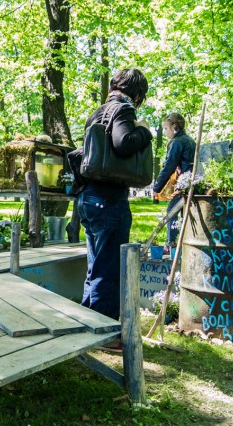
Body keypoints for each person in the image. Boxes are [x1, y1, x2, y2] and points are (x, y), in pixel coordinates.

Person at [78, 69, 153, 323]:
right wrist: (144, 130)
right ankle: (103, 328)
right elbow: (123, 143)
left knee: (96, 266)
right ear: (138, 93)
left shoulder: (97, 112)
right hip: (109, 200)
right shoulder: (123, 109)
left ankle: (88, 320)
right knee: (108, 269)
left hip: (89, 197)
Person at [153, 113, 196, 253]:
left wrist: (157, 187)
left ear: (175, 127)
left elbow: (169, 165)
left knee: (171, 211)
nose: (165, 132)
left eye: (166, 128)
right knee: (184, 214)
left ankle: (170, 244)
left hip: (184, 184)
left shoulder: (177, 142)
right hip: (192, 181)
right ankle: (183, 243)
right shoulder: (189, 140)